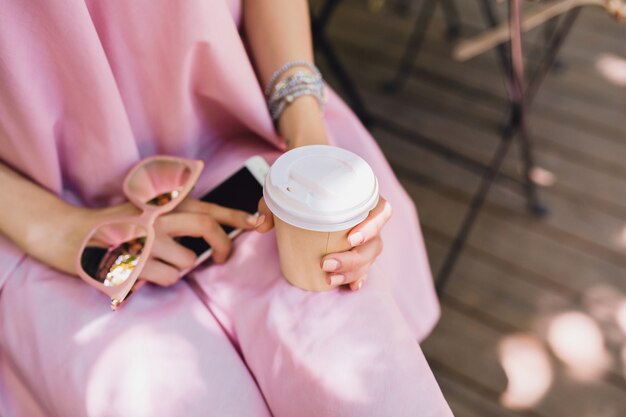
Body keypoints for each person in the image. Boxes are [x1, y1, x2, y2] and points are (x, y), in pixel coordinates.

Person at [0, 0, 453, 416]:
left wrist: (309, 145)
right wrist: (57, 228)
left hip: (243, 151)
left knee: (374, 380)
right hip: (39, 210)